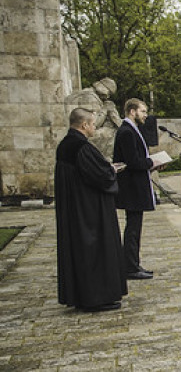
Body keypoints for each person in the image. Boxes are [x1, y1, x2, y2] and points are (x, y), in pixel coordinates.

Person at [56, 108, 128, 311]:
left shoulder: (65, 146)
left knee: (79, 248)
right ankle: (95, 297)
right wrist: (111, 170)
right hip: (88, 209)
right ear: (84, 125)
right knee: (94, 248)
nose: (95, 127)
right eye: (93, 124)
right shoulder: (80, 147)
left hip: (74, 207)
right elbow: (100, 176)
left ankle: (83, 296)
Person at [113, 98, 158, 280]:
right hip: (131, 188)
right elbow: (132, 161)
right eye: (143, 111)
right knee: (132, 229)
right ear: (132, 111)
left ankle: (133, 263)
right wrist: (150, 162)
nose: (145, 115)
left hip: (135, 186)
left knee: (135, 228)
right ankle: (130, 267)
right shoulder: (126, 132)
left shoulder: (132, 130)